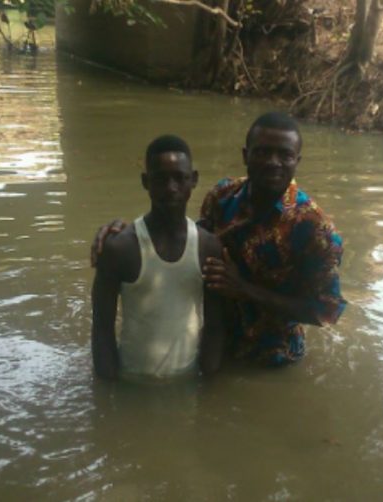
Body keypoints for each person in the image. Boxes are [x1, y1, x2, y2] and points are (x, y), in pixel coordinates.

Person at [92, 112, 346, 367]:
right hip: (213, 347)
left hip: (272, 357)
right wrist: (127, 234)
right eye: (262, 152)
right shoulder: (223, 196)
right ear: (245, 155)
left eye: (285, 155)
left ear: (297, 161)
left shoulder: (314, 228)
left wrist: (246, 290)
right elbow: (183, 239)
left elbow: (328, 312)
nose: (273, 162)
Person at [91, 135, 224, 380]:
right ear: (146, 182)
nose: (171, 188)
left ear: (194, 179)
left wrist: (209, 386)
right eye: (161, 179)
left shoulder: (208, 246)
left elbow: (215, 326)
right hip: (132, 380)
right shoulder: (121, 248)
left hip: (187, 379)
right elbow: (102, 329)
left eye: (180, 178)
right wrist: (108, 395)